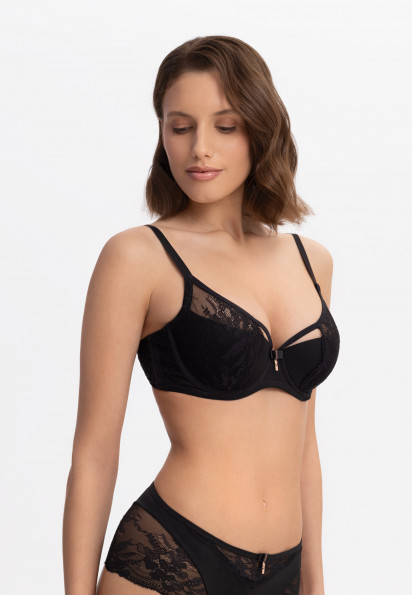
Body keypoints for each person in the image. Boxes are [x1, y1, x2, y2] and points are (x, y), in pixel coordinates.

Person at [63, 35, 340, 595]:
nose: (200, 149)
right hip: (170, 560)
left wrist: (315, 580)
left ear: (260, 130)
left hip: (286, 571)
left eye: (225, 126)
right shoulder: (138, 257)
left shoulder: (312, 261)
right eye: (180, 127)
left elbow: (303, 442)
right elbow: (95, 450)